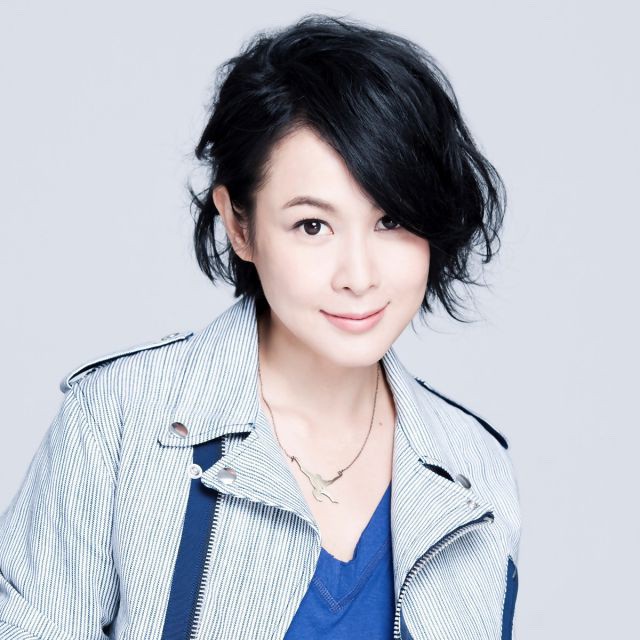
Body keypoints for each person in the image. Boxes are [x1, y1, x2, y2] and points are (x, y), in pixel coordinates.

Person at [0, 13, 521, 640]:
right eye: (312, 225)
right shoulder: (117, 423)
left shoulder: (474, 471)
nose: (359, 276)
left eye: (391, 221)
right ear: (239, 226)